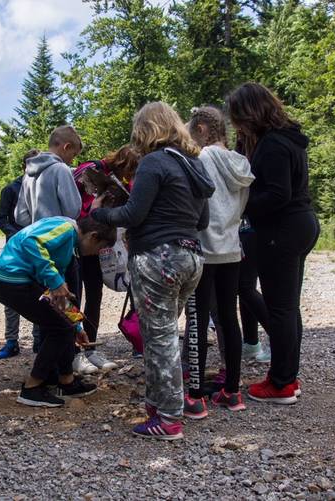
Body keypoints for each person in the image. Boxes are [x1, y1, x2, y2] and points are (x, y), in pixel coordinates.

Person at [91, 102, 213, 440]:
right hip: (191, 258)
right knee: (163, 333)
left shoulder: (154, 162)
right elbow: (202, 220)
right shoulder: (193, 164)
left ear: (146, 130)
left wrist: (99, 213)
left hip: (157, 258)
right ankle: (157, 404)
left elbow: (133, 214)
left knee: (160, 340)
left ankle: (169, 418)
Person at [227, 82, 319, 405]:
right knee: (288, 308)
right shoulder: (289, 138)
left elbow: (278, 194)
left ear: (250, 113)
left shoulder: (274, 144)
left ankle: (280, 383)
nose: (238, 126)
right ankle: (288, 376)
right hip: (300, 224)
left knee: (280, 309)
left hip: (281, 230)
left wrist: (240, 205)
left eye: (238, 118)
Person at [0, 216, 117, 408]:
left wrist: (77, 325)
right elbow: (31, 242)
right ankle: (32, 388)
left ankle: (66, 381)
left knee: (64, 325)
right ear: (93, 236)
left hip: (17, 281)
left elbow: (59, 295)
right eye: (99, 248)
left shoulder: (69, 245)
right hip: (9, 280)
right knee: (60, 329)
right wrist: (54, 280)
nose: (95, 254)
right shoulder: (65, 229)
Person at [182, 106, 255, 420]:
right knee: (228, 317)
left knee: (197, 318)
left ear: (201, 129)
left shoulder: (202, 159)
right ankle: (232, 391)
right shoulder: (241, 163)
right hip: (231, 248)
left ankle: (195, 395)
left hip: (204, 248)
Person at [14, 126, 94, 374]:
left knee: (46, 311)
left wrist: (38, 227)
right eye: (73, 154)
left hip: (37, 253)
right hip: (61, 250)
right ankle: (66, 370)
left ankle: (46, 367)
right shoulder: (60, 169)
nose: (72, 161)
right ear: (66, 147)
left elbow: (20, 216)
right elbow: (73, 209)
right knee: (68, 309)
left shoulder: (28, 173)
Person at [73, 144, 140, 371]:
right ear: (122, 163)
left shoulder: (123, 181)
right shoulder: (89, 169)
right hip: (79, 240)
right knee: (73, 296)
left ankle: (90, 348)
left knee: (95, 295)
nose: (129, 175)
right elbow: (69, 203)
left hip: (99, 244)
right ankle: (73, 352)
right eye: (129, 170)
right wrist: (91, 210)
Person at [0, 149, 39, 359]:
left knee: (41, 294)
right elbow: (1, 219)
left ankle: (39, 340)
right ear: (24, 166)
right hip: (15, 250)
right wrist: (18, 236)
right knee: (11, 296)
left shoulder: (44, 187)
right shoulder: (10, 189)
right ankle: (11, 341)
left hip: (39, 249)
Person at [237, 216, 271, 364]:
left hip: (256, 229)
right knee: (244, 286)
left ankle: (279, 339)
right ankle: (251, 343)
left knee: (244, 286)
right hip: (248, 228)